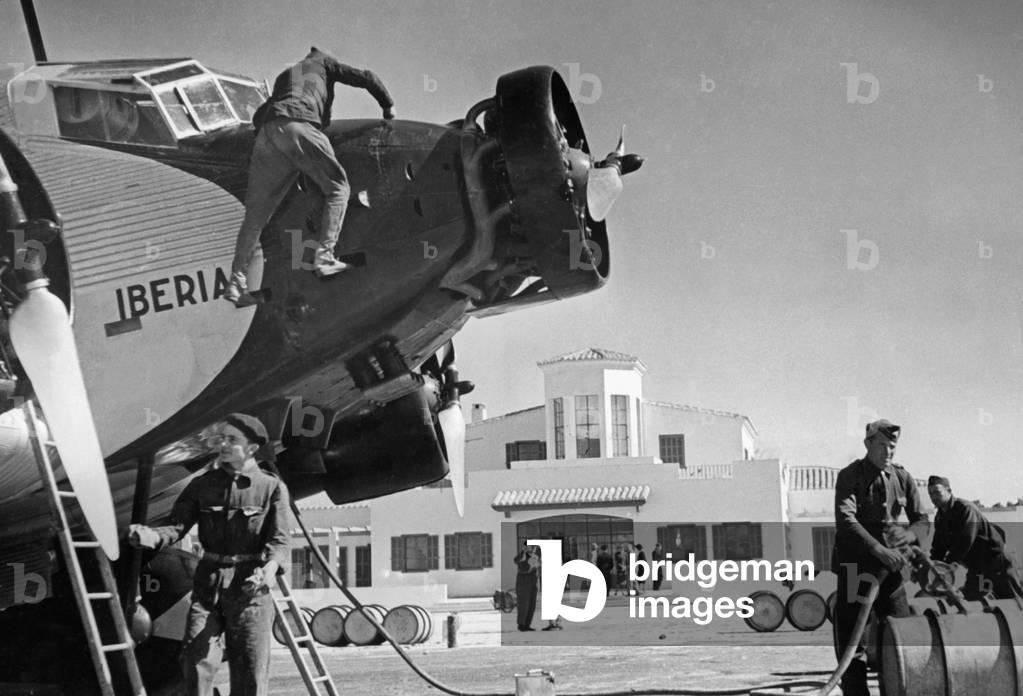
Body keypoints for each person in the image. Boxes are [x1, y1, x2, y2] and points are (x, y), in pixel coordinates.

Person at [128, 413, 290, 696]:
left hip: (249, 588)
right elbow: (178, 526)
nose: (223, 446)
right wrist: (153, 536)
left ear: (252, 447)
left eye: (232, 440)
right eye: (222, 439)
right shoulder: (202, 485)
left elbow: (279, 540)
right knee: (195, 659)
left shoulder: (271, 488)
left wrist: (269, 569)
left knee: (249, 669)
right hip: (208, 584)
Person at [225, 47, 396, 306]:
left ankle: (236, 284)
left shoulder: (287, 74)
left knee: (256, 217)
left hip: (269, 134)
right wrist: (388, 108)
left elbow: (262, 114)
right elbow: (367, 77)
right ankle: (325, 258)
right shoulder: (326, 65)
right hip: (300, 126)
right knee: (338, 187)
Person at [831, 419, 929, 696]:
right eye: (882, 445)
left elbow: (922, 520)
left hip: (891, 571)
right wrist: (879, 549)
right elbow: (846, 521)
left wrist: (908, 536)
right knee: (853, 640)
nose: (888, 452)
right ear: (868, 444)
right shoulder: (851, 475)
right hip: (856, 566)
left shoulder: (902, 477)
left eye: (892, 446)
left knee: (898, 636)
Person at [928, 475, 1023, 600]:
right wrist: (931, 567)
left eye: (937, 492)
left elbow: (966, 539)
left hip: (996, 561)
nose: (934, 497)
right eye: (930, 494)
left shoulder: (965, 509)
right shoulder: (940, 517)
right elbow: (938, 548)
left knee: (1015, 601)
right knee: (972, 600)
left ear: (949, 491)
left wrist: (949, 566)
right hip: (976, 566)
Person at [514, 544, 539, 631]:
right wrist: (523, 552)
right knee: (523, 605)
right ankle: (521, 624)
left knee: (531, 605)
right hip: (523, 583)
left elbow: (537, 568)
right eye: (528, 546)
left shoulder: (535, 557)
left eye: (531, 547)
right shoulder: (522, 556)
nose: (530, 548)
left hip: (532, 582)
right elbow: (516, 560)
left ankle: (527, 624)